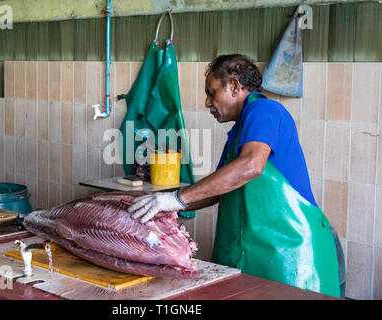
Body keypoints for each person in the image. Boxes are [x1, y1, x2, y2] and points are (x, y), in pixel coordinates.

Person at [127, 54, 344, 298]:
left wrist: (177, 198)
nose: (208, 102)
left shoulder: (264, 109)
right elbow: (219, 187)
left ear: (235, 86)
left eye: (211, 92)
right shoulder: (238, 134)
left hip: (291, 259)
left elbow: (251, 166)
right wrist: (165, 205)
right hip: (252, 255)